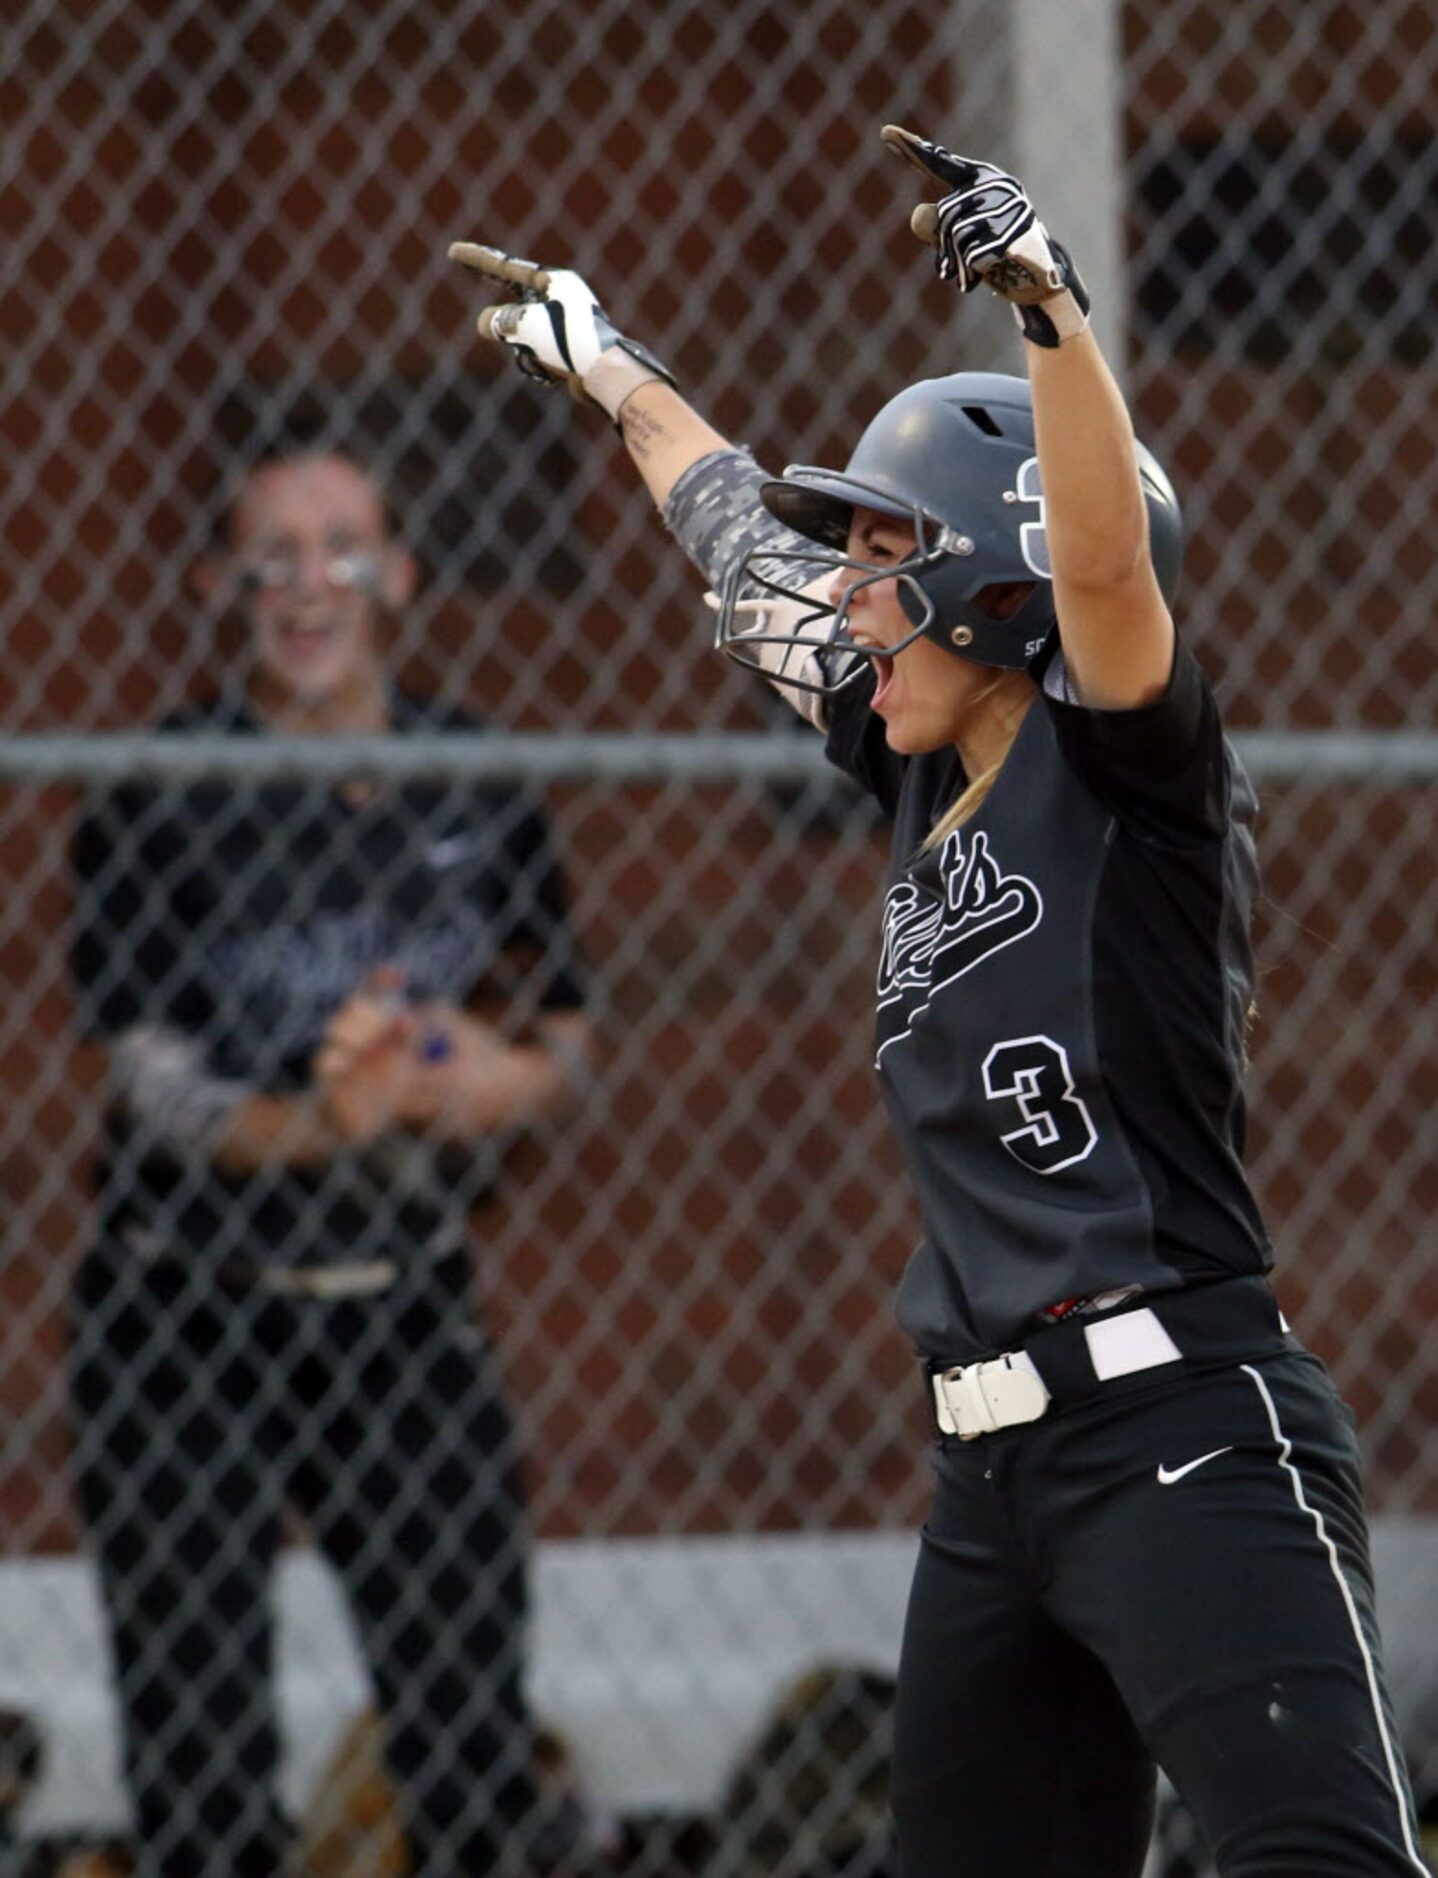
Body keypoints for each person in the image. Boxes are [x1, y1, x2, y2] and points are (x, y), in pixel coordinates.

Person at [447, 127, 1427, 1875]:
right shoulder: (908, 762)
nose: (849, 593)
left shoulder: (1136, 780)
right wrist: (615, 373)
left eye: (891, 555)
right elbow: (739, 540)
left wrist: (1045, 304)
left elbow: (1109, 583)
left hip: (1181, 1425)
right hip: (991, 1478)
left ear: (997, 584)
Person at [68, 438, 593, 1877]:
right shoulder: (156, 788)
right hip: (183, 1310)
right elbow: (155, 1086)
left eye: (342, 548)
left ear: (398, 577)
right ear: (222, 586)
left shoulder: (472, 775)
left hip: (400, 1305)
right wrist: (323, 1122)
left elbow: (562, 1033)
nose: (311, 585)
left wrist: (492, 1081)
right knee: (201, 1768)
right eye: (274, 556)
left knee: (469, 1740)